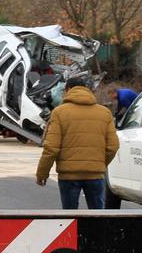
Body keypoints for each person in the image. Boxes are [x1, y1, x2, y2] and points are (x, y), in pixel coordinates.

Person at [35, 74, 119, 210]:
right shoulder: (104, 113)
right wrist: (99, 164)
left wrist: (42, 174)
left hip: (69, 176)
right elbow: (113, 146)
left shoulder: (59, 113)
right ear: (87, 90)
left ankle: (73, 232)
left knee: (70, 218)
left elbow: (51, 148)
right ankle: (96, 232)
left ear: (67, 90)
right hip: (95, 175)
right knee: (98, 218)